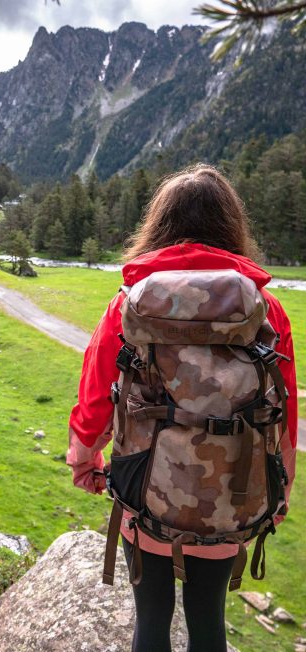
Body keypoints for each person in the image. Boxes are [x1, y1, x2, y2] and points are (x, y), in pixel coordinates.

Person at [66, 164, 298, 652]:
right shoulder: (264, 309)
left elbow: (95, 396)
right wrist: (280, 489)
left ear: (160, 225)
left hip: (145, 489)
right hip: (232, 494)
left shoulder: (130, 303)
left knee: (150, 620)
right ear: (231, 226)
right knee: (208, 621)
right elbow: (284, 414)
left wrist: (84, 458)